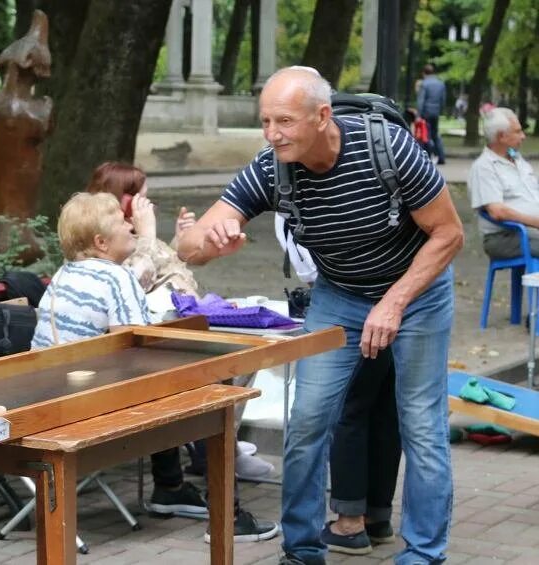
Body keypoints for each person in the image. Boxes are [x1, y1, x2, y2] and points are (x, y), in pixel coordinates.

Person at [177, 66, 463, 565]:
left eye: (284, 121)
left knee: (421, 422)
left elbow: (449, 234)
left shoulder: (390, 149)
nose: (271, 134)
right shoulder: (272, 166)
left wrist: (393, 303)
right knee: (307, 419)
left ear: (322, 115)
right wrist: (206, 243)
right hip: (340, 294)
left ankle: (424, 554)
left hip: (418, 293)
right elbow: (193, 244)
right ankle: (303, 550)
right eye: (265, 121)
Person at [32, 191, 280, 544]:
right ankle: (228, 515)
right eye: (122, 221)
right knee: (213, 394)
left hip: (53, 396)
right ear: (101, 242)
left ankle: (170, 487)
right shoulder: (116, 279)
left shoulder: (63, 276)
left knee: (179, 387)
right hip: (89, 407)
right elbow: (139, 348)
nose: (131, 224)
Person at [86, 162, 276, 483]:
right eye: (143, 200)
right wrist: (147, 235)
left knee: (242, 355)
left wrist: (177, 244)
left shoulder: (129, 238)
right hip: (137, 355)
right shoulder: (104, 243)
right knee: (230, 362)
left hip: (163, 338)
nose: (150, 207)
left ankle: (219, 445)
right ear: (122, 202)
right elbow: (133, 284)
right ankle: (217, 451)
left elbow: (160, 275)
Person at [275, 215, 402, 556]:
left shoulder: (291, 189)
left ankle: (349, 522)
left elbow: (311, 265)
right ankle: (377, 516)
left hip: (347, 299)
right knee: (382, 406)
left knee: (350, 408)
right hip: (398, 295)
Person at [468, 107, 539, 260]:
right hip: (505, 237)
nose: (523, 136)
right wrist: (536, 222)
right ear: (501, 136)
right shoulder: (484, 167)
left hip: (531, 233)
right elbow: (497, 212)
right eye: (518, 131)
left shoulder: (518, 161)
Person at [417, 64, 446, 164]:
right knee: (435, 134)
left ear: (424, 73)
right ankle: (441, 156)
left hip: (426, 113)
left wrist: (418, 115)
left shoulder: (424, 84)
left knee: (427, 135)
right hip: (436, 112)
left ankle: (428, 156)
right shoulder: (440, 83)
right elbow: (443, 100)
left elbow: (421, 101)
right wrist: (439, 110)